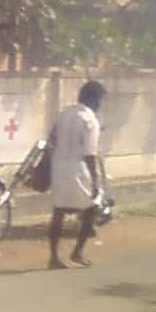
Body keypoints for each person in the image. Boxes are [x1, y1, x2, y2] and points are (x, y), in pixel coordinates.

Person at [49, 80, 106, 269]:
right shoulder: (90, 120)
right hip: (78, 169)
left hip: (58, 167)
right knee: (92, 208)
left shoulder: (64, 113)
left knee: (58, 212)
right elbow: (90, 154)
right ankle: (78, 252)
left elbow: (52, 138)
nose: (100, 104)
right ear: (94, 99)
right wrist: (96, 180)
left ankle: (53, 257)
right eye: (100, 100)